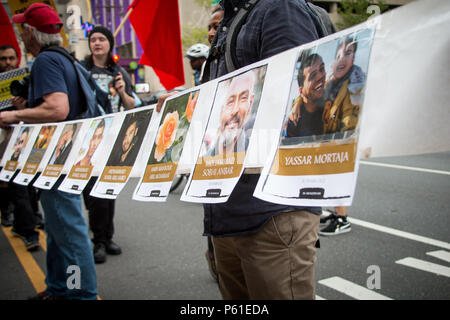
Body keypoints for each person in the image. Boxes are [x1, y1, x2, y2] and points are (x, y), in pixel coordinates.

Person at [182, 0, 322, 300]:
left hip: (271, 214)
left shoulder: (280, 8)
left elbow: (293, 100)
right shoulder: (232, 17)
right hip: (226, 208)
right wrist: (188, 106)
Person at [0, 3, 97, 299]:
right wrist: (28, 108)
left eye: (22, 29)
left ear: (30, 32)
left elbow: (58, 108)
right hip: (63, 156)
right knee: (57, 230)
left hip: (57, 159)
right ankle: (59, 287)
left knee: (68, 231)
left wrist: (13, 116)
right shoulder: (62, 59)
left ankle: (80, 293)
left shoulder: (44, 61)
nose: (20, 34)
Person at [81, 25, 140, 263]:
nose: (97, 43)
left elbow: (132, 105)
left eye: (101, 39)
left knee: (108, 190)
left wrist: (123, 91)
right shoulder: (82, 70)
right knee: (94, 193)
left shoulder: (118, 72)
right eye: (93, 39)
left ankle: (107, 238)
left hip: (115, 140)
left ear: (109, 44)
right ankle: (98, 240)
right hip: (89, 141)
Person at [318, 37, 363, 236]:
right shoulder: (333, 83)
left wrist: (339, 138)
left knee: (338, 177)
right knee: (328, 178)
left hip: (342, 140)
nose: (341, 59)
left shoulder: (354, 84)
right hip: (329, 138)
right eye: (338, 56)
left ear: (354, 59)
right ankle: (336, 214)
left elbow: (350, 116)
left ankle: (342, 219)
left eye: (348, 53)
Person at [205, 70, 256, 156]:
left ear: (250, 103)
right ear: (220, 111)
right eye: (230, 102)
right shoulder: (203, 164)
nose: (235, 110)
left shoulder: (255, 155)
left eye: (243, 98)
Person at [286, 51, 326, 139]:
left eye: (322, 69)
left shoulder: (331, 101)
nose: (320, 76)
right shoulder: (294, 121)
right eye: (312, 76)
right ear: (301, 90)